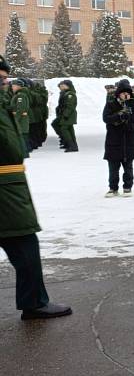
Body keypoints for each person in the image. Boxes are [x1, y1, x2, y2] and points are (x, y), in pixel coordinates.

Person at [0, 55, 72, 320]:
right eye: (1, 79)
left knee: (25, 245)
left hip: (10, 186)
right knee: (25, 244)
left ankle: (34, 301)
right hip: (6, 191)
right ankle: (34, 302)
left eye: (6, 78)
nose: (6, 83)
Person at [102, 80, 134, 197]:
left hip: (128, 140)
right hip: (114, 140)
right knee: (113, 167)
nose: (126, 95)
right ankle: (113, 188)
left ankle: (127, 187)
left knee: (128, 166)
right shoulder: (111, 104)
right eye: (123, 93)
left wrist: (132, 126)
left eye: (128, 93)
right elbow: (106, 118)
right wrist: (119, 116)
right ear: (118, 94)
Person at [53, 80, 78, 152]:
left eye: (63, 85)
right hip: (65, 114)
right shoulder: (65, 93)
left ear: (68, 85)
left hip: (68, 115)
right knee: (69, 130)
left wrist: (65, 115)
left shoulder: (70, 94)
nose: (61, 87)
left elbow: (70, 106)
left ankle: (71, 145)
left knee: (64, 129)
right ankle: (72, 145)